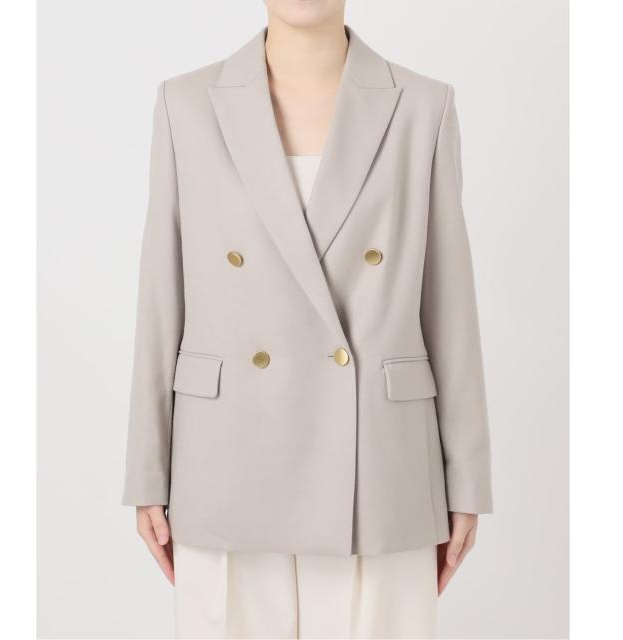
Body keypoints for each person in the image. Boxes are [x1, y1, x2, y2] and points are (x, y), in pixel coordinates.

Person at [123, 1, 493, 637]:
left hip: (378, 466)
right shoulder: (185, 105)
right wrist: (147, 472)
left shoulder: (423, 107)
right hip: (226, 459)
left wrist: (467, 481)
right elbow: (161, 295)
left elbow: (450, 306)